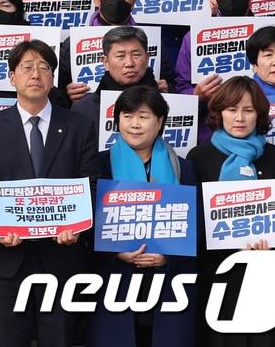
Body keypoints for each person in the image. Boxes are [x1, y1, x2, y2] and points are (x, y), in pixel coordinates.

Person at [0, 40, 99, 347]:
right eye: (27, 67)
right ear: (12, 77)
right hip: (6, 260)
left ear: (53, 77)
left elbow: (92, 184)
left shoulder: (79, 126)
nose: (36, 74)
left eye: (44, 67)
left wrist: (78, 226)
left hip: (62, 258)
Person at [187, 75, 275, 347]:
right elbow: (195, 221)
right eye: (231, 109)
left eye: (248, 110)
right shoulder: (198, 157)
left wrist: (273, 245)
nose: (239, 117)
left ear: (259, 115)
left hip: (268, 274)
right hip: (219, 273)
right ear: (219, 113)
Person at [83, 84, 198, 347]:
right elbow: (86, 221)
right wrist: (115, 252)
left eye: (143, 116)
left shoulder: (183, 167)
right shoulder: (99, 165)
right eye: (127, 116)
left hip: (168, 281)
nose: (134, 124)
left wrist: (167, 256)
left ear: (159, 122)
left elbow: (195, 224)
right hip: (115, 280)